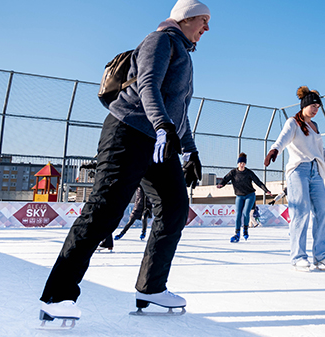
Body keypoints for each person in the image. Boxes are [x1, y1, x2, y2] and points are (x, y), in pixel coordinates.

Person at [39, 0, 208, 323]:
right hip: (128, 131)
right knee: (104, 210)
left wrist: (190, 150)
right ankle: (57, 296)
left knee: (174, 208)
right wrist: (162, 126)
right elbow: (147, 85)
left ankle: (151, 288)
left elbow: (179, 110)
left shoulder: (185, 53)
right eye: (203, 19)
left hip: (160, 140)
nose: (207, 28)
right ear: (185, 18)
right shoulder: (160, 40)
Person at [264, 86, 325, 272]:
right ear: (304, 105)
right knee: (301, 212)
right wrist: (274, 150)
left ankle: (322, 256)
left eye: (318, 106)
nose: (315, 109)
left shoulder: (315, 127)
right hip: (298, 171)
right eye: (312, 105)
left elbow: (321, 153)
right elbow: (282, 139)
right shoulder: (293, 123)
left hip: (316, 172)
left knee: (323, 213)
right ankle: (298, 257)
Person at [217, 153, 272, 242]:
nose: (242, 164)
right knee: (238, 214)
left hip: (250, 195)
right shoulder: (233, 172)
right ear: (238, 163)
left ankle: (245, 230)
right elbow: (225, 179)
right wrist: (221, 184)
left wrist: (266, 190)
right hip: (239, 196)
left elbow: (258, 182)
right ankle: (237, 233)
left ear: (245, 164)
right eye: (240, 163)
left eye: (243, 163)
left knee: (246, 213)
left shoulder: (249, 172)